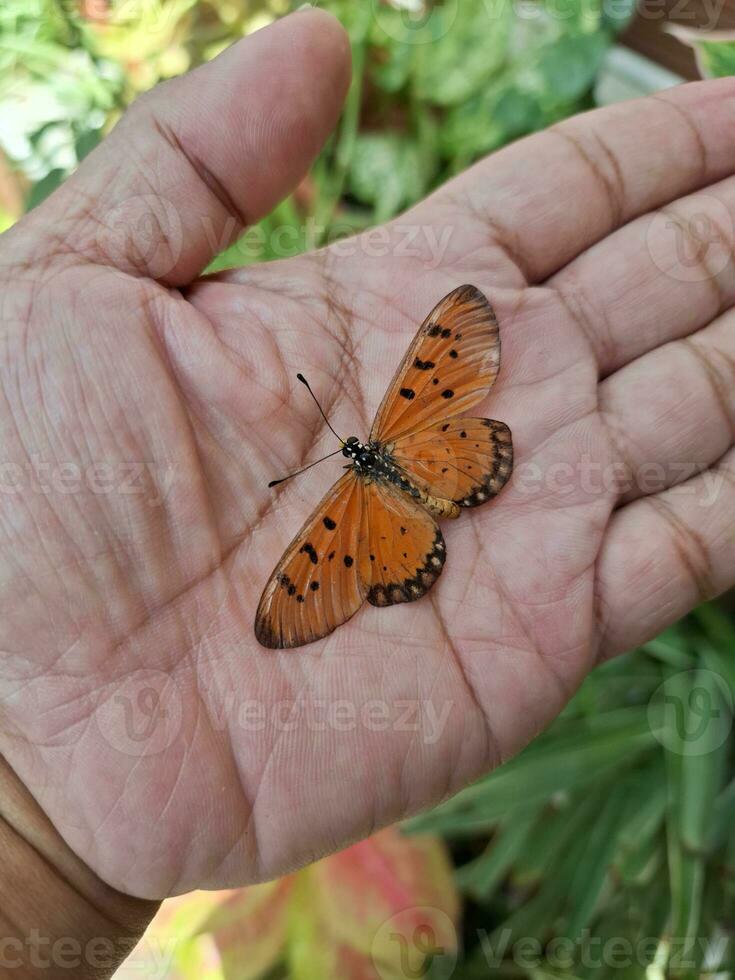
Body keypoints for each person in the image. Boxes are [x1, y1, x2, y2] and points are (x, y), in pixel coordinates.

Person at [1, 8, 734, 977]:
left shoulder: (339, 495)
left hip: (394, 513)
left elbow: (453, 337)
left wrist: (41, 839)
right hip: (437, 452)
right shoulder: (373, 444)